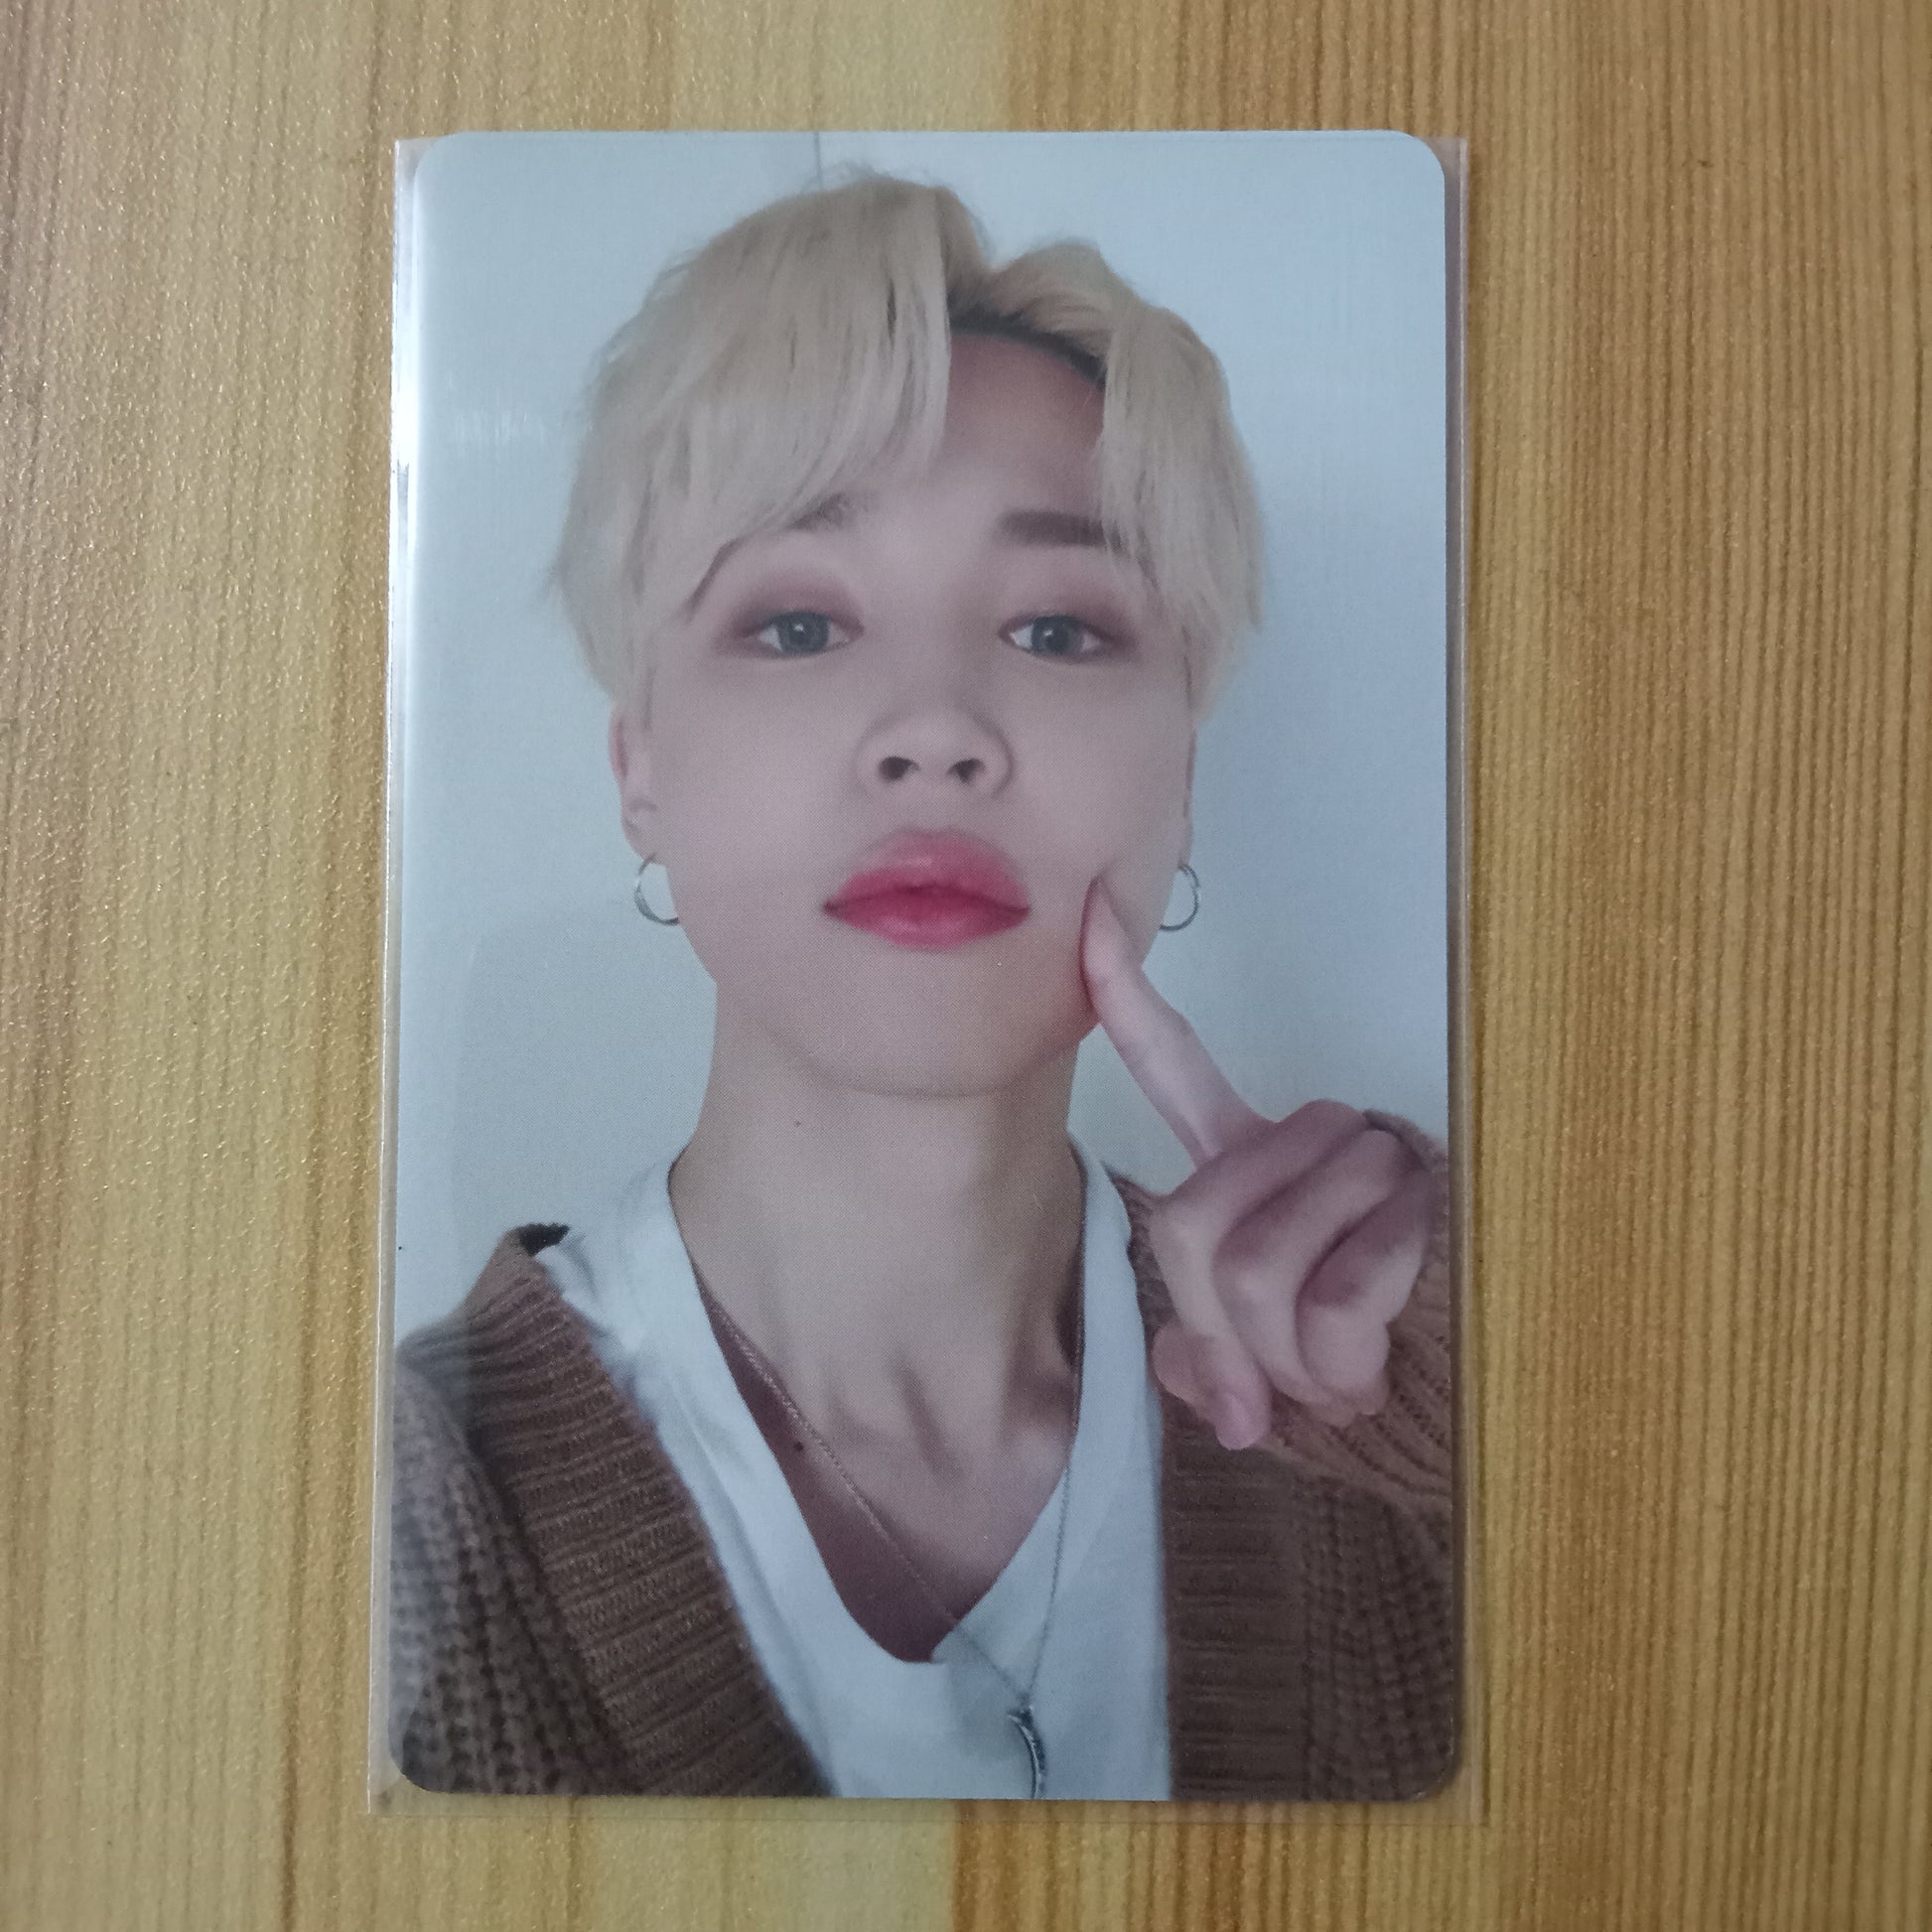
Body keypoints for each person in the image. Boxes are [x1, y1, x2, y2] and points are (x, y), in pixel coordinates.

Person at [387, 170, 1455, 1801]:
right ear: (640, 767)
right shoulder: (385, 1513)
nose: (936, 728)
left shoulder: (1409, 1401)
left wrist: (1498, 1407)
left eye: (1055, 630)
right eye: (799, 625)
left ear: (1180, 777)